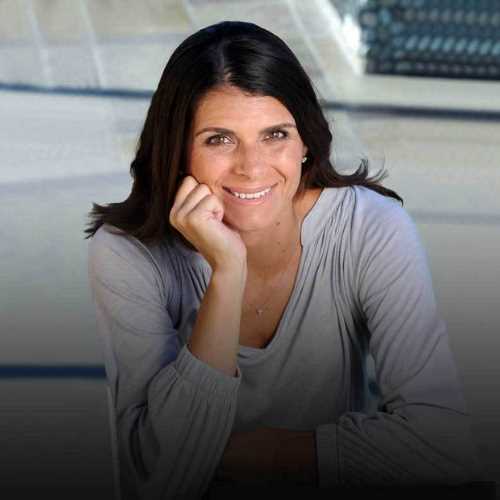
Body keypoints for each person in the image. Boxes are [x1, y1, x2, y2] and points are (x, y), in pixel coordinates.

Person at [85, 21, 480, 499]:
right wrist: (227, 275)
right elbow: (161, 480)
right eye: (219, 139)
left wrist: (269, 455)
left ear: (305, 142)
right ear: (179, 150)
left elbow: (445, 444)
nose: (252, 167)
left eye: (275, 134)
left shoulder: (368, 227)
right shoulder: (127, 254)